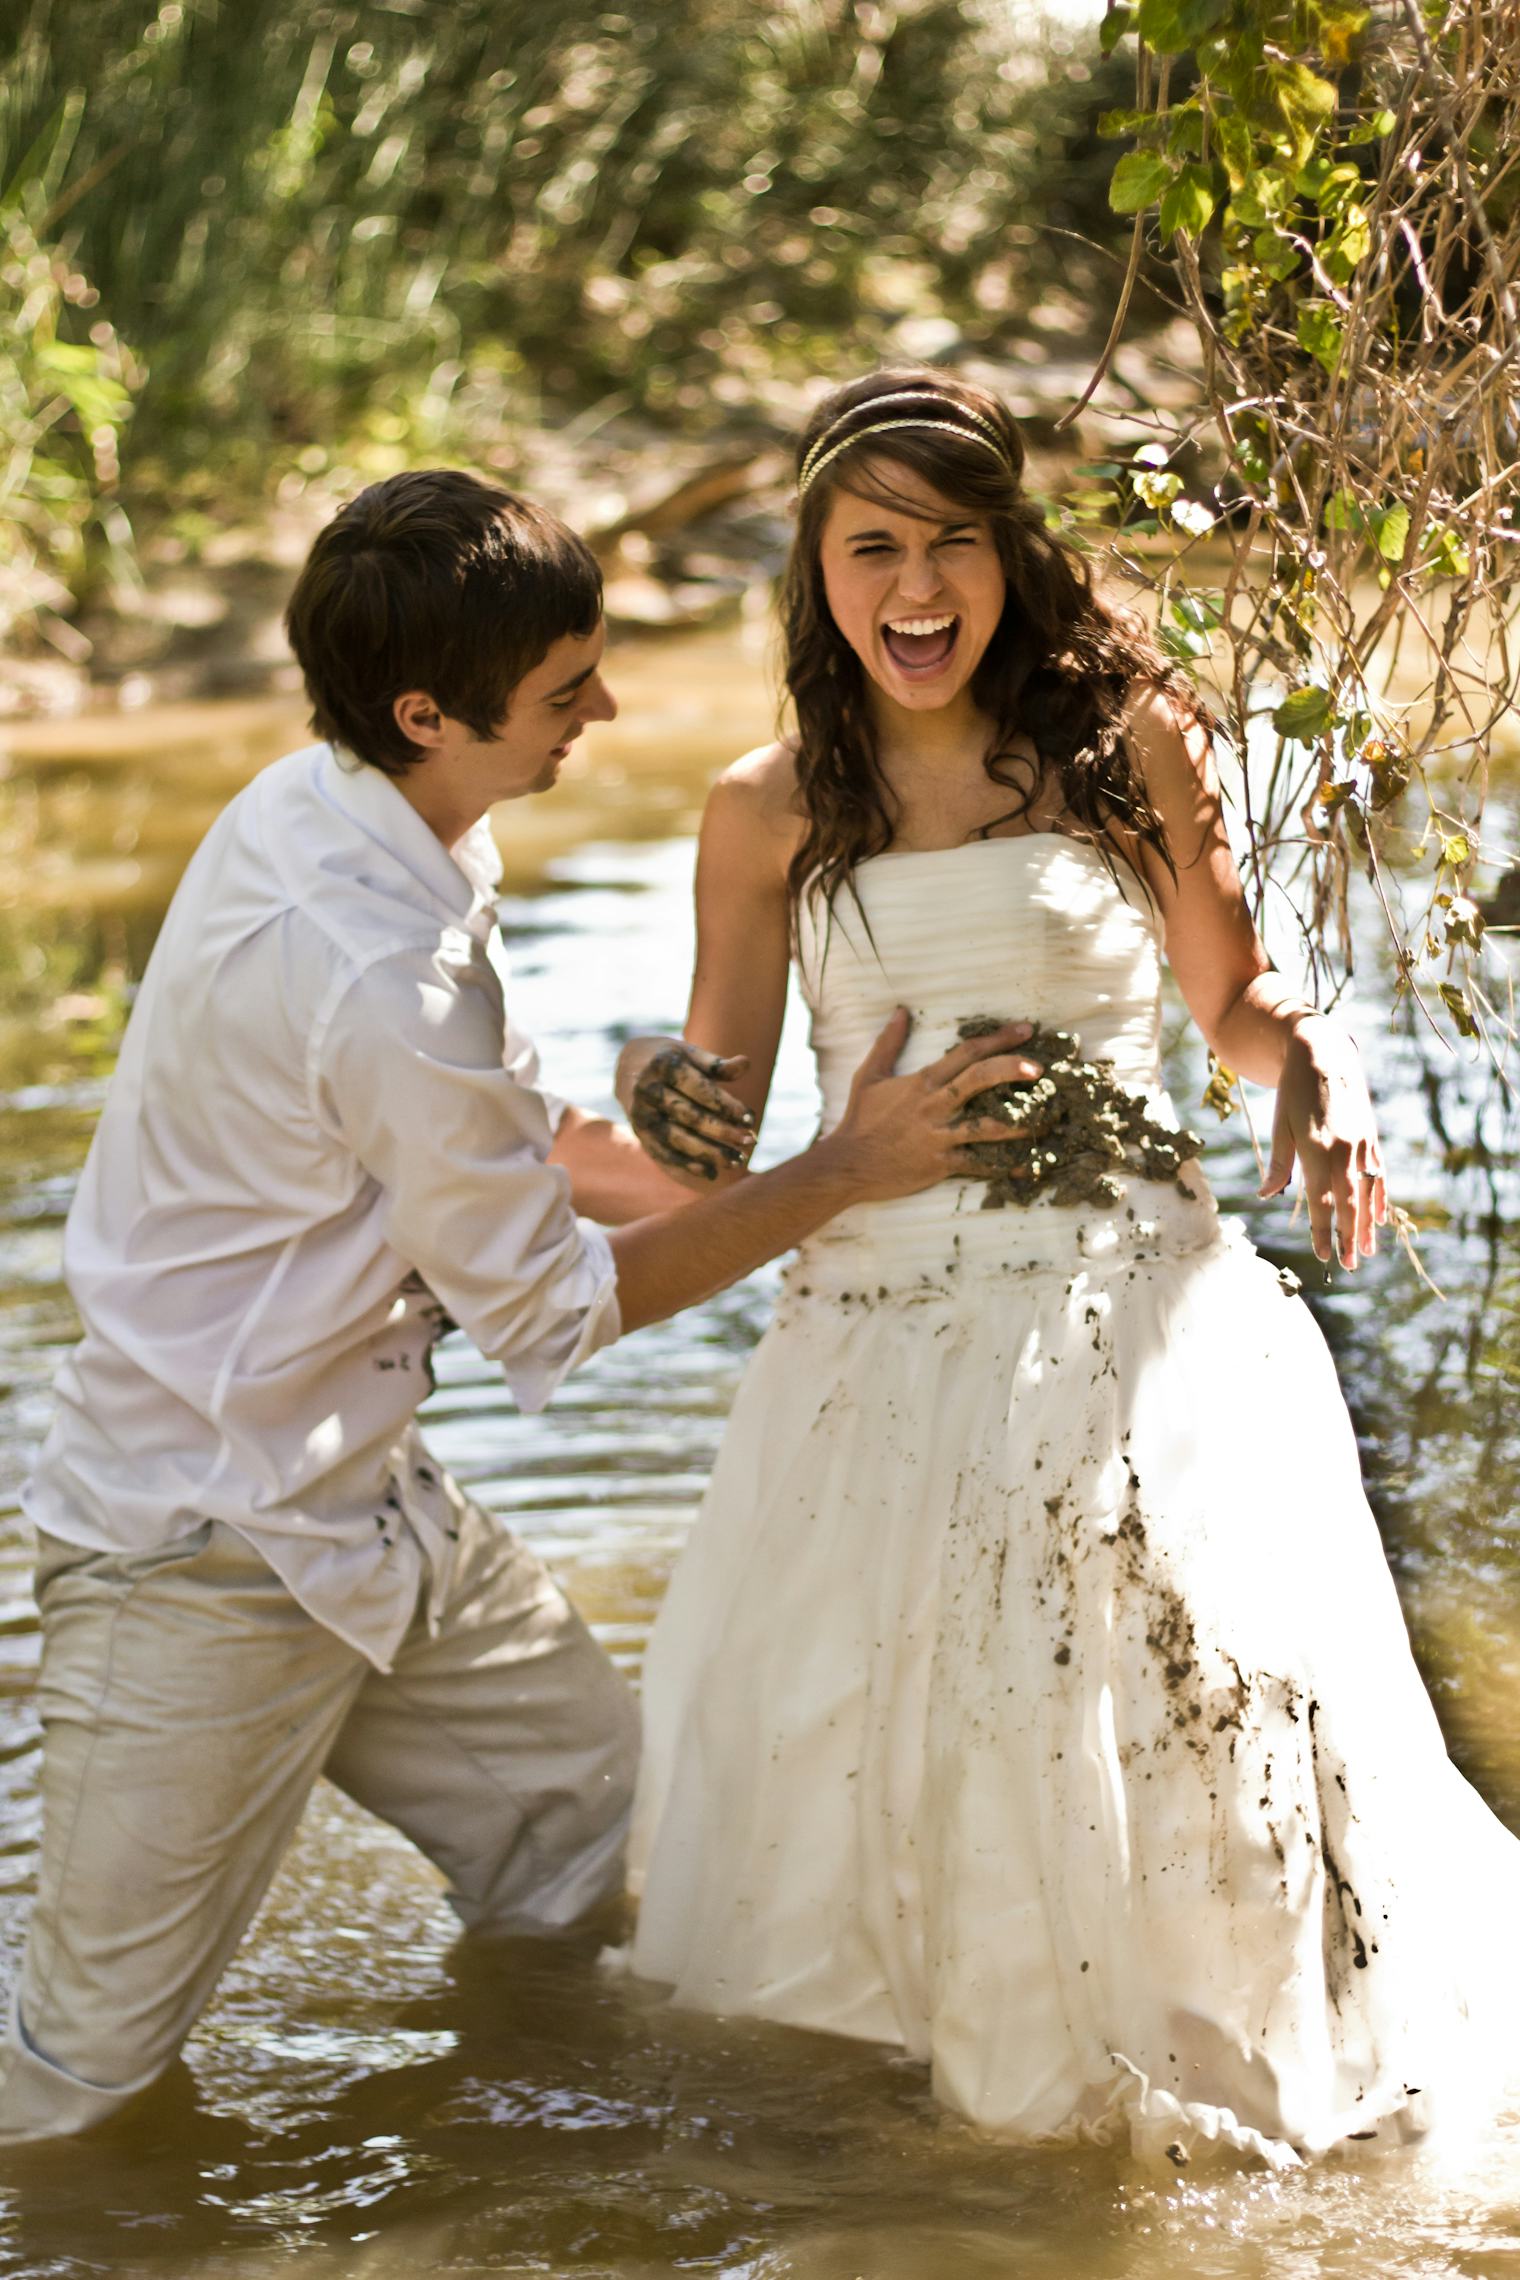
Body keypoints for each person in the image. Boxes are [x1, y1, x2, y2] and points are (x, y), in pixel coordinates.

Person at [0, 468, 1034, 2146]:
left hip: (373, 1511)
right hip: (196, 1550)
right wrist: (846, 1172)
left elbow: (512, 1143)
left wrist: (665, 1112)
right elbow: (553, 1317)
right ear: (428, 710)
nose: (607, 711)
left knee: (600, 1827)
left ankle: (519, 2133)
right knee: (73, 2092)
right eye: (567, 693)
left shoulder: (344, 807)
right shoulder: (367, 963)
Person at [615, 370, 1520, 2169]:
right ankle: (916, 2156)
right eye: (873, 544)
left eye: (954, 539)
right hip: (868, 1352)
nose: (917, 584)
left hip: (1131, 1328)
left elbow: (1233, 1002)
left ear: (1012, 555)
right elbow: (706, 1096)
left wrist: (1321, 1066)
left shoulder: (1130, 742)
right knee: (878, 1753)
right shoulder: (763, 809)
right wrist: (664, 1093)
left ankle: (1185, 2096)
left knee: (1176, 1730)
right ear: (818, 568)